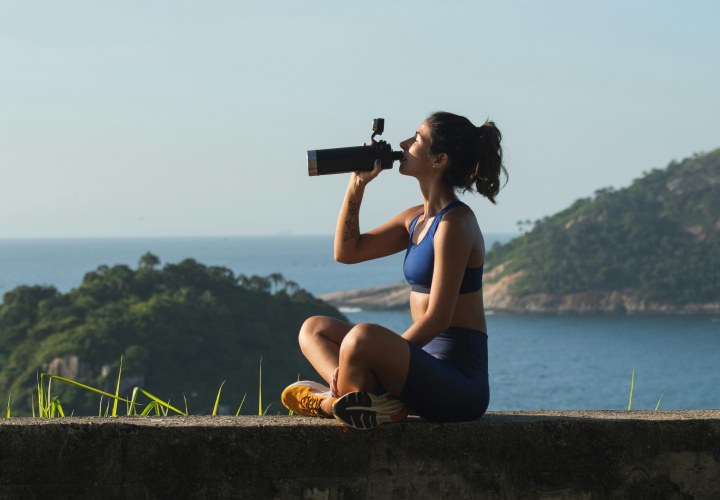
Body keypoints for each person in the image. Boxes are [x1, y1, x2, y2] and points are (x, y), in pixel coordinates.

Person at [282, 111, 506, 429]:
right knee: (314, 328)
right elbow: (347, 251)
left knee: (362, 338)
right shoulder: (415, 219)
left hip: (457, 384)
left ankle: (330, 402)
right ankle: (366, 401)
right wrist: (357, 185)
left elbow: (438, 318)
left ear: (439, 159)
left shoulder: (455, 224)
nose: (403, 143)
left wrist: (374, 353)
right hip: (417, 371)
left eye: (416, 139)